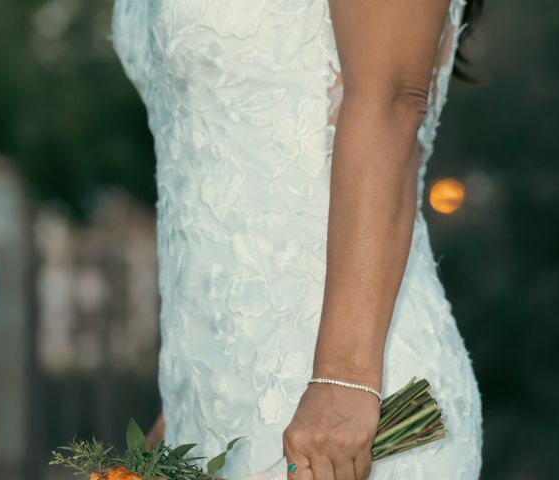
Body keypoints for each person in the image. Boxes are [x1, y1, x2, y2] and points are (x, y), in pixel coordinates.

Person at [111, 0, 484, 478]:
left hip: (345, 408)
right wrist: (191, 396)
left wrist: (345, 379)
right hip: (212, 410)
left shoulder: (343, 394)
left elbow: (390, 97)